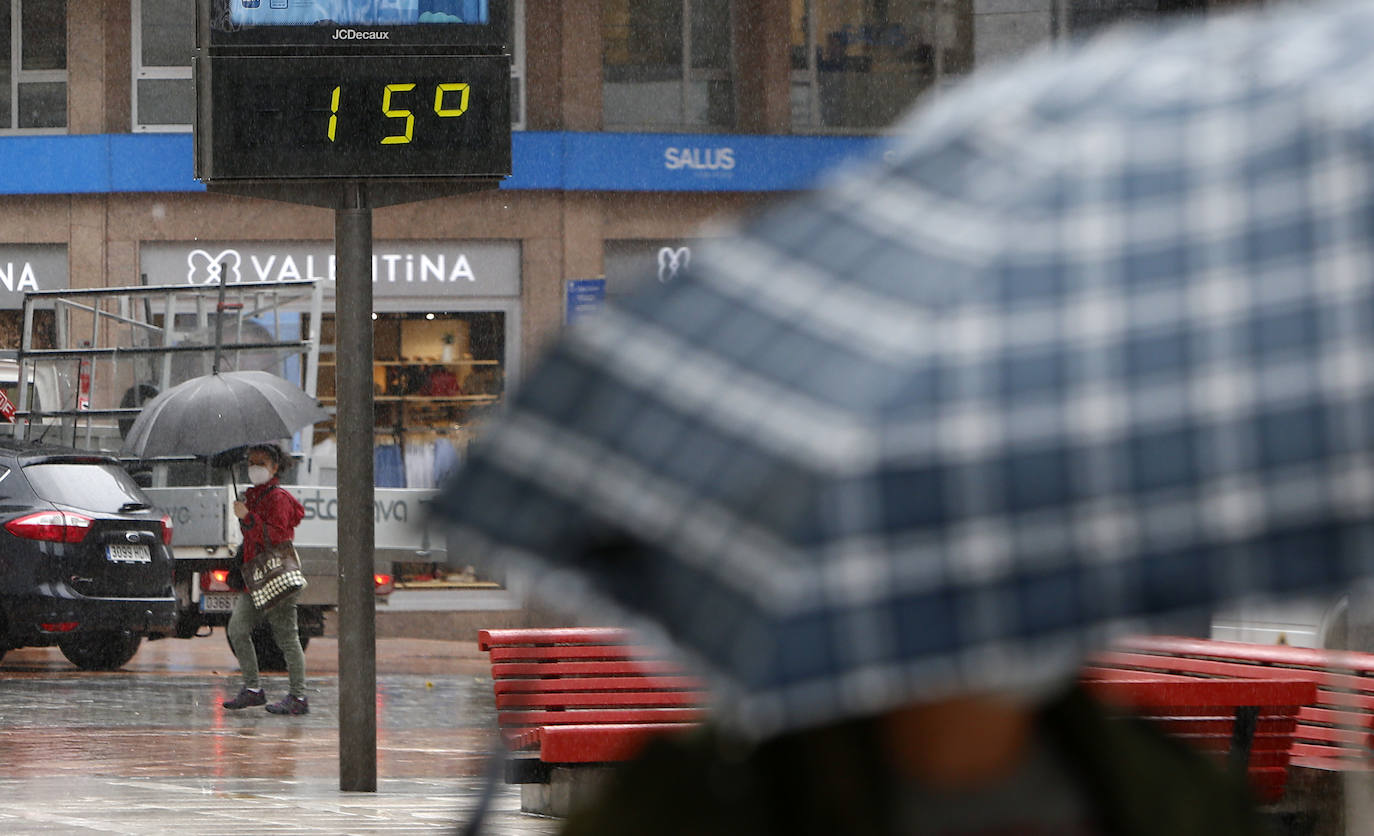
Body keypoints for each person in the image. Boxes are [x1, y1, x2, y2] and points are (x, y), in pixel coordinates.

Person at [220, 442, 309, 715]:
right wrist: (246, 514)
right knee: (237, 629)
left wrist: (247, 518)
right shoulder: (253, 496)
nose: (254, 468)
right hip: (255, 577)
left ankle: (298, 696)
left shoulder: (277, 498)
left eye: (261, 463)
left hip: (276, 576)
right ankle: (253, 689)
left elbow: (277, 538)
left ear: (275, 467)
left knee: (286, 637)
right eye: (251, 462)